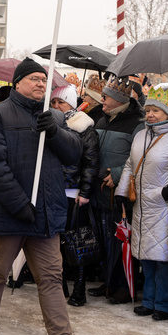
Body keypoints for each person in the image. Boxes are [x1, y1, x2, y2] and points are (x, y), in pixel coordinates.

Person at [0, 57, 82, 335]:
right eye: (34, 78)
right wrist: (19, 204)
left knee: (51, 279)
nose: (40, 83)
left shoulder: (54, 116)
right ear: (17, 82)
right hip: (12, 213)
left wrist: (56, 132)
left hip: (45, 216)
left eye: (44, 80)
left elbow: (74, 154)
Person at [114, 87, 168, 321]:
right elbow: (130, 164)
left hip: (166, 206)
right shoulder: (141, 135)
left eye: (156, 111)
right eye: (148, 110)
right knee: (146, 257)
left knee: (164, 258)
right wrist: (121, 192)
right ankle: (148, 301)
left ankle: (164, 304)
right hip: (141, 205)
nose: (150, 115)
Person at [89, 76, 144, 303]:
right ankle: (109, 281)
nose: (101, 99)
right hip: (99, 189)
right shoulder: (102, 120)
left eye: (106, 96)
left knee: (122, 239)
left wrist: (119, 173)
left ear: (119, 99)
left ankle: (123, 285)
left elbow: (140, 157)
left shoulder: (137, 123)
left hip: (119, 193)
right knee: (103, 238)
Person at [50, 84, 99, 307]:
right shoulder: (51, 124)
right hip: (53, 189)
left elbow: (90, 162)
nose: (57, 106)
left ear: (72, 104)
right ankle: (60, 287)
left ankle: (79, 289)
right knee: (55, 242)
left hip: (74, 191)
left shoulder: (84, 128)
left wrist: (85, 191)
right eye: (54, 102)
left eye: (61, 102)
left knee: (75, 241)